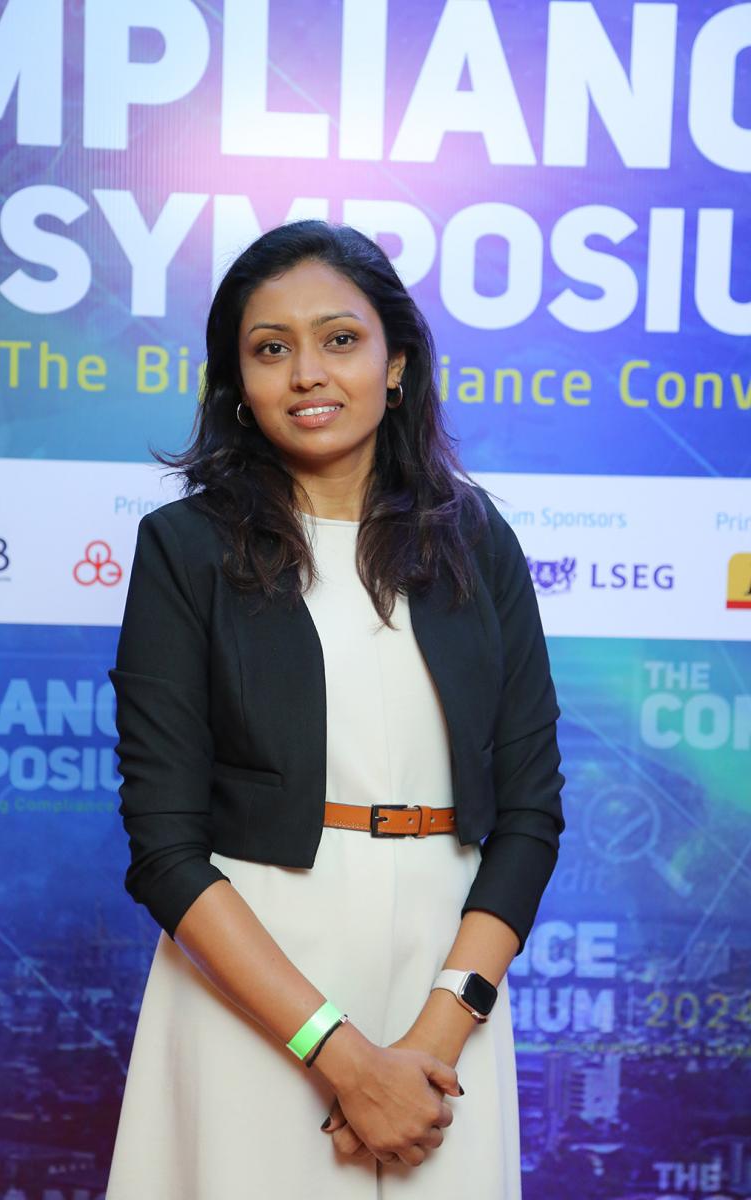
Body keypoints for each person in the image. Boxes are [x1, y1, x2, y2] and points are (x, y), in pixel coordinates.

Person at [104, 219, 565, 1199]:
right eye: (271, 349)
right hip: (255, 990)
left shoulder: (476, 540)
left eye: (340, 339)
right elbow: (165, 851)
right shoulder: (185, 549)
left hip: (447, 993)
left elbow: (529, 816)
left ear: (394, 364)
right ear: (237, 384)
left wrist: (436, 1034)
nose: (307, 372)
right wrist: (342, 1057)